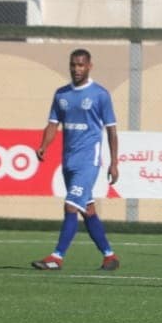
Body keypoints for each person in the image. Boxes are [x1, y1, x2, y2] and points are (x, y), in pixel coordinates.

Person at [31, 49, 122, 272]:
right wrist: (44, 145)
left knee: (71, 205)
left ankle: (56, 257)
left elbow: (111, 130)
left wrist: (114, 163)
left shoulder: (100, 94)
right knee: (87, 210)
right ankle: (109, 256)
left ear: (89, 66)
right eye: (73, 65)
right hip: (68, 162)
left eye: (81, 65)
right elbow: (53, 124)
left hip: (88, 162)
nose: (76, 69)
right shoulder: (61, 95)